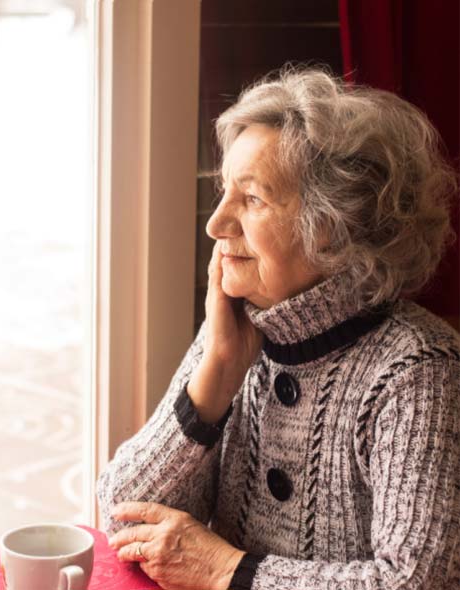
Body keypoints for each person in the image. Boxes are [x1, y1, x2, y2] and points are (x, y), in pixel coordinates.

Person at [96, 66, 460, 590]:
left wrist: (227, 571)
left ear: (332, 228)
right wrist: (216, 375)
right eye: (224, 192)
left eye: (252, 199)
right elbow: (123, 518)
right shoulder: (236, 334)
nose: (216, 224)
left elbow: (419, 582)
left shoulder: (419, 372)